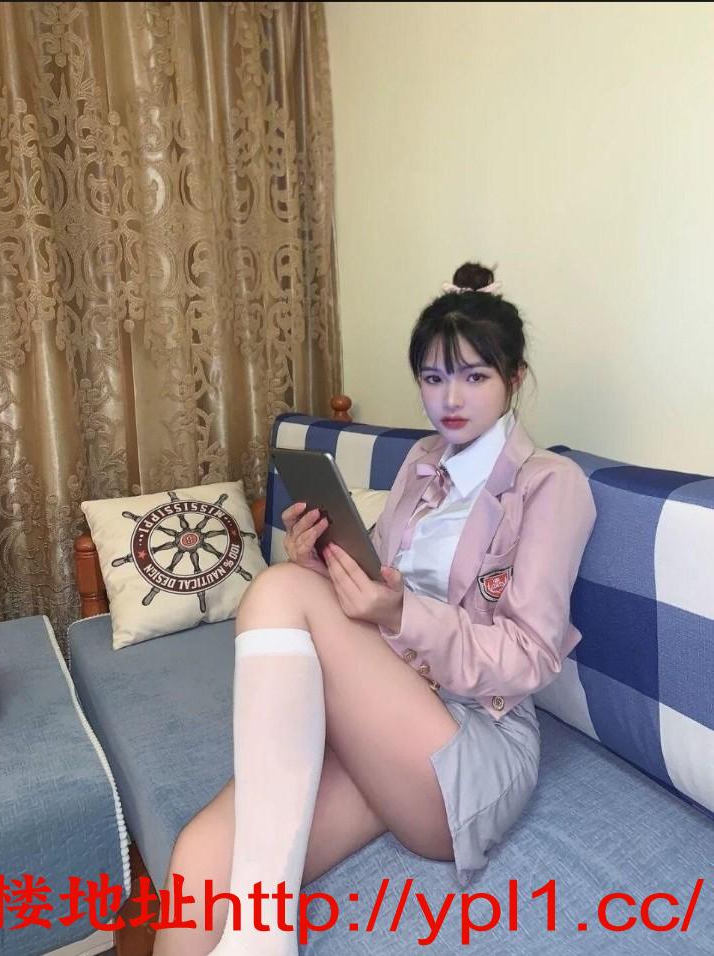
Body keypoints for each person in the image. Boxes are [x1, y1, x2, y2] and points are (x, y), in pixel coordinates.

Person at [151, 261, 597, 956]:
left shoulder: (550, 484)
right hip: (382, 706)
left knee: (277, 590)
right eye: (433, 378)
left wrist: (398, 615)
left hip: (473, 737)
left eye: (474, 376)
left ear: (515, 378)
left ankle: (264, 937)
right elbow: (376, 584)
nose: (450, 398)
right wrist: (322, 564)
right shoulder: (421, 462)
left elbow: (532, 657)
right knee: (198, 863)